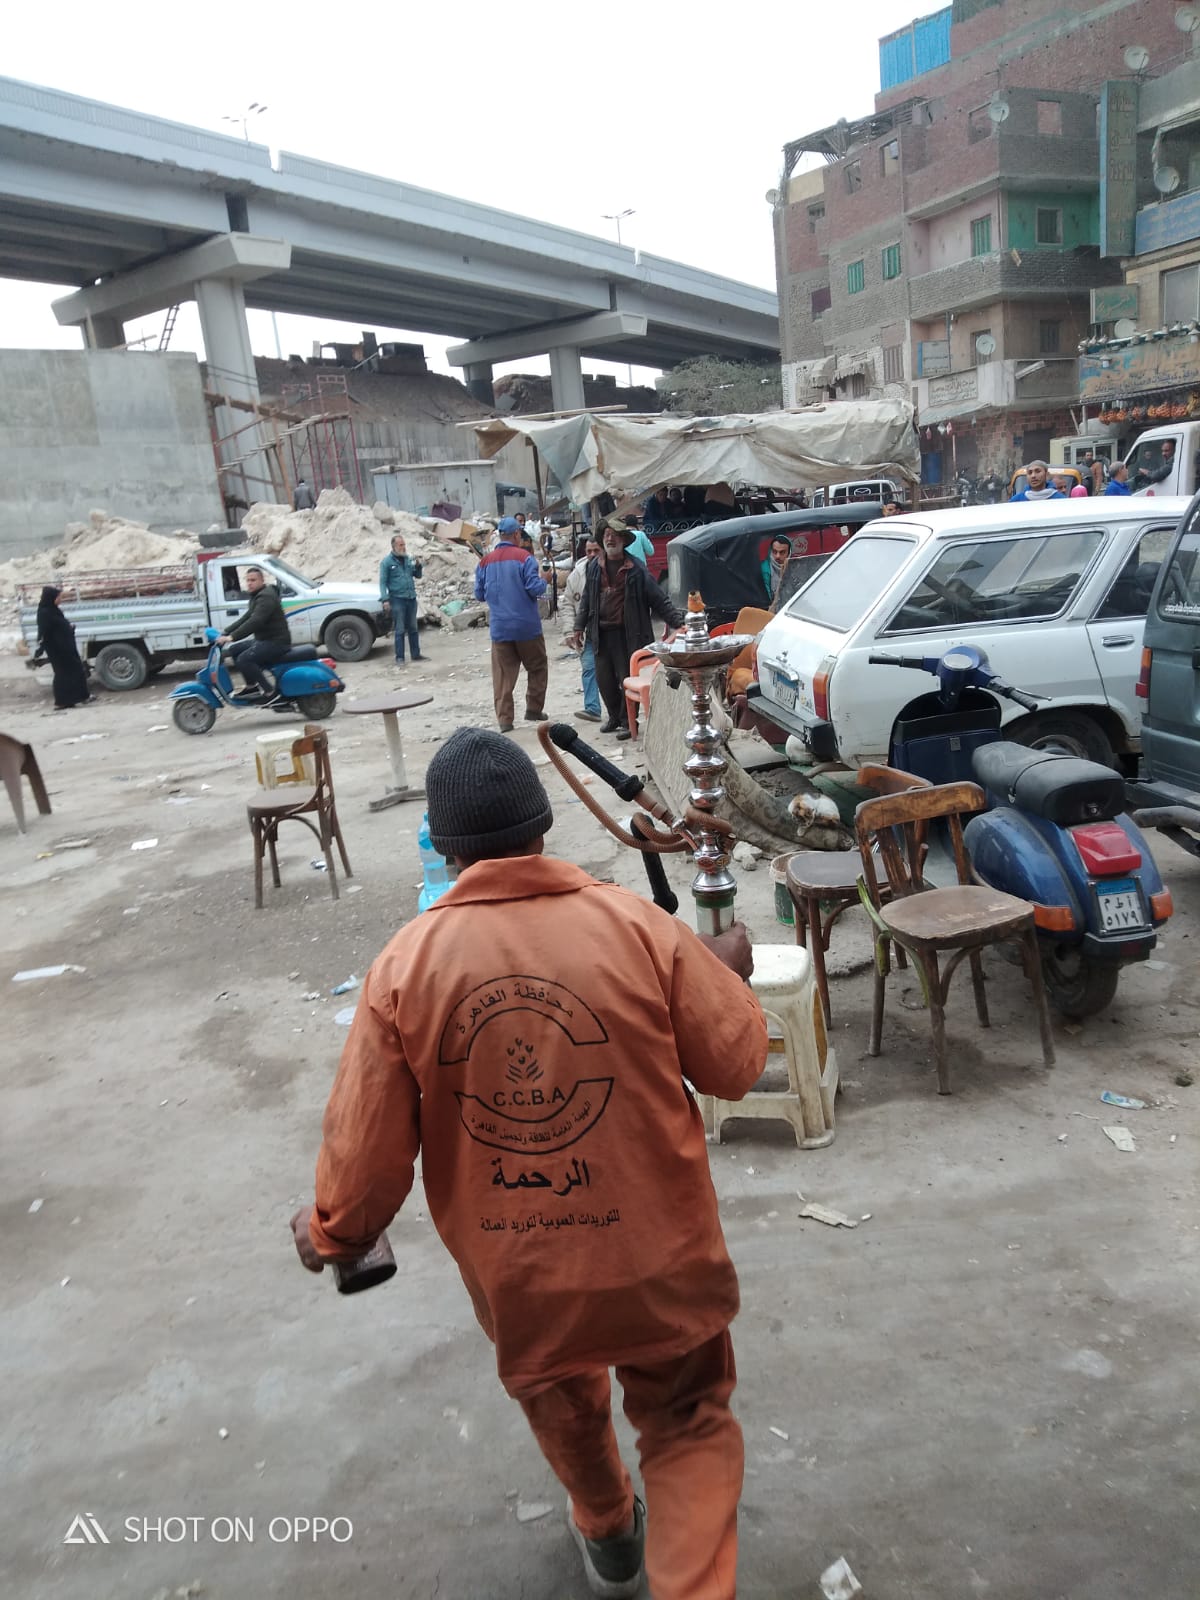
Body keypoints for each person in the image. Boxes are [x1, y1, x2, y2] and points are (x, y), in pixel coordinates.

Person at [290, 727, 765, 1600]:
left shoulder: (404, 966)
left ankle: (609, 1531)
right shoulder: (636, 927)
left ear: (444, 848)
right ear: (543, 827)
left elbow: (365, 1151)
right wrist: (723, 976)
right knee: (688, 1419)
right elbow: (735, 1065)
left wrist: (334, 1232)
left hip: (524, 1272)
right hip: (661, 1256)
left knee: (565, 1402)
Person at [570, 523, 684, 739]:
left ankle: (627, 721)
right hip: (601, 633)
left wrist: (678, 623)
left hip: (628, 634)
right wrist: (578, 626)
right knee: (604, 680)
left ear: (623, 540)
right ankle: (614, 717)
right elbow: (586, 599)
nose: (610, 539)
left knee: (626, 678)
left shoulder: (636, 569)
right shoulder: (594, 566)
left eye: (615, 535)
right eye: (607, 535)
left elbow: (659, 599)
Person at [474, 515, 548, 733]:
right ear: (516, 534)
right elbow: (535, 589)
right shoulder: (525, 558)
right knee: (537, 667)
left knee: (503, 676)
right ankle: (533, 709)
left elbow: (479, 594)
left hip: (500, 628)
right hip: (527, 627)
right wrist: (545, 579)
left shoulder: (485, 562)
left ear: (499, 535)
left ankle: (505, 720)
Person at [216, 565, 292, 697]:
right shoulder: (257, 596)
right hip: (265, 640)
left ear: (262, 581)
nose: (250, 583)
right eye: (248, 580)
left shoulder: (266, 597)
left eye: (253, 580)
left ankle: (269, 691)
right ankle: (252, 687)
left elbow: (256, 621)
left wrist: (232, 637)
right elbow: (246, 618)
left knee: (244, 659)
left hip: (276, 642)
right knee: (234, 650)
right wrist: (226, 632)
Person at [561, 536, 603, 722]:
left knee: (615, 673)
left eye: (596, 551)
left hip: (610, 630)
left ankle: (621, 714)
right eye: (589, 551)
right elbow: (568, 604)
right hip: (587, 632)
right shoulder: (576, 575)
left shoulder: (612, 570)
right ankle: (592, 708)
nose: (592, 554)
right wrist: (569, 631)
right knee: (589, 668)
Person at [35, 586, 91, 709]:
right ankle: (62, 701)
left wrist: (69, 628)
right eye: (58, 597)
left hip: (66, 647)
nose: (60, 599)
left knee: (76, 671)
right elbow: (44, 632)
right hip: (57, 650)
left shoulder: (54, 610)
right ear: (51, 598)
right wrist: (40, 649)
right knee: (62, 674)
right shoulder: (44, 613)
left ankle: (80, 697)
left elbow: (60, 625)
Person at [379, 534, 425, 665]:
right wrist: (385, 599)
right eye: (401, 545)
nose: (403, 547)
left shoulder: (407, 560)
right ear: (394, 546)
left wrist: (418, 566)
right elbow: (382, 582)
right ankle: (400, 658)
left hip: (411, 598)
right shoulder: (387, 562)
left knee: (413, 628)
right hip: (397, 599)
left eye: (404, 544)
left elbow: (418, 575)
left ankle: (416, 655)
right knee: (399, 629)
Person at [761, 535, 792, 600]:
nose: (777, 556)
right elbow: (766, 599)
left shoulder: (794, 566)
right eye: (775, 552)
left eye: (782, 552)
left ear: (789, 553)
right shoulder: (765, 569)